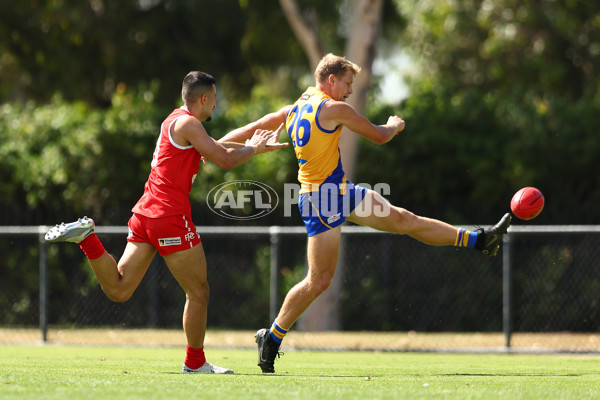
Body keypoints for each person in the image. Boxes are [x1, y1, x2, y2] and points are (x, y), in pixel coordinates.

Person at [224, 53, 511, 373]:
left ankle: (479, 240)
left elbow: (256, 125)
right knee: (319, 280)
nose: (349, 90)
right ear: (331, 80)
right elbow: (379, 135)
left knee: (404, 219)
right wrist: (394, 124)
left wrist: (211, 147)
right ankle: (272, 336)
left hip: (341, 191)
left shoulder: (300, 103)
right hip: (321, 200)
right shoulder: (334, 108)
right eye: (347, 83)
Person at [45, 71, 287, 374]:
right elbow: (223, 158)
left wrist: (257, 135)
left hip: (145, 213)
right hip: (169, 217)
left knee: (119, 289)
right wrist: (255, 148)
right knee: (198, 292)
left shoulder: (177, 120)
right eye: (214, 99)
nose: (215, 105)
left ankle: (86, 239)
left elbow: (219, 146)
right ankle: (195, 363)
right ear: (203, 98)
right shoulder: (189, 124)